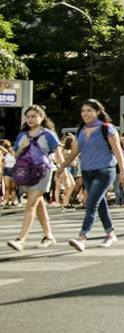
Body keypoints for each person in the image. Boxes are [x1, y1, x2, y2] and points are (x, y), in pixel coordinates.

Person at [58, 100, 124, 252]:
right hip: (87, 172)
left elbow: (117, 150)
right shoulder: (82, 130)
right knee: (100, 202)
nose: (85, 113)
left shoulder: (107, 128)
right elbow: (75, 151)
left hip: (105, 171)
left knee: (91, 203)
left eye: (89, 110)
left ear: (97, 112)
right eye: (83, 111)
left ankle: (82, 237)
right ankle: (110, 233)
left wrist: (123, 171)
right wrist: (63, 166)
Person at [6, 105, 62, 251]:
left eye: (34, 116)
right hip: (28, 173)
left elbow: (58, 153)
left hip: (43, 172)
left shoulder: (48, 134)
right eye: (28, 116)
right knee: (38, 204)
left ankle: (21, 239)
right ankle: (48, 235)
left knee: (30, 204)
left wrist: (64, 172)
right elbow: (16, 156)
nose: (30, 119)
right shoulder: (22, 135)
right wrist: (22, 148)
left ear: (42, 118)